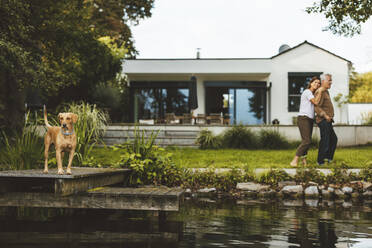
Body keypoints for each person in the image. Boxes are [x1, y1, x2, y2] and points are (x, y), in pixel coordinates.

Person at [290, 77, 322, 166]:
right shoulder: (307, 92)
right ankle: (294, 160)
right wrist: (321, 91)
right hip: (303, 118)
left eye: (319, 83)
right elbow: (315, 102)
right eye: (315, 82)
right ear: (311, 83)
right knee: (306, 141)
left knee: (307, 140)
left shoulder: (312, 93)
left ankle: (304, 161)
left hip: (309, 119)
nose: (317, 84)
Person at [314, 73, 337, 165]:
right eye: (329, 80)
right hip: (323, 120)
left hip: (327, 120)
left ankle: (328, 159)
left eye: (331, 80)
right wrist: (325, 115)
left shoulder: (326, 91)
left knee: (333, 139)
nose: (331, 82)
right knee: (325, 140)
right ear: (323, 81)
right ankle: (320, 161)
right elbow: (316, 106)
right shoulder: (320, 91)